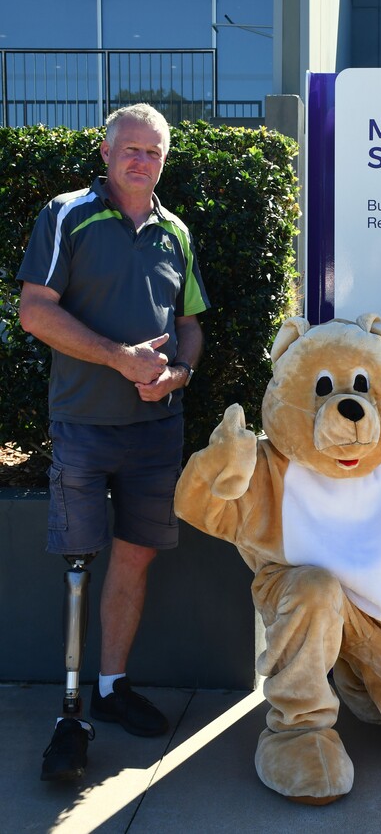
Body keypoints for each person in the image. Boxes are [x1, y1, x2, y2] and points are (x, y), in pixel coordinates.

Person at [18, 103, 210, 780]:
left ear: (164, 160)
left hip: (155, 431)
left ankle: (110, 686)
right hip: (83, 423)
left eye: (153, 152)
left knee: (134, 558)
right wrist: (117, 359)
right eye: (130, 148)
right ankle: (71, 715)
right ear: (105, 153)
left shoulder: (175, 232)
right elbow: (34, 311)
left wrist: (178, 375)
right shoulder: (66, 215)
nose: (141, 160)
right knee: (79, 564)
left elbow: (190, 324)